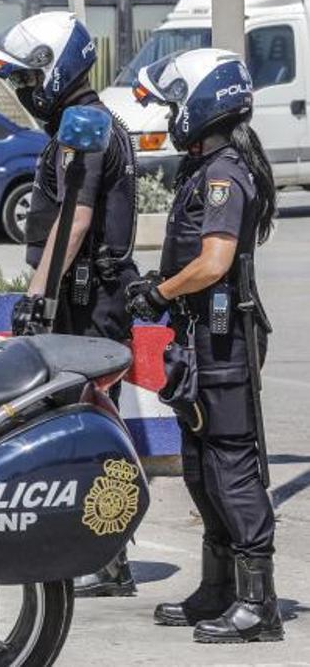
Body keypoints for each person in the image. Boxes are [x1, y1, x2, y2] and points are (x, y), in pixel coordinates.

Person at [0, 11, 140, 597]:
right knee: (80, 419)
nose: (22, 92)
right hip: (87, 294)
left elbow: (75, 224)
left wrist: (36, 292)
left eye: (27, 80)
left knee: (91, 421)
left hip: (90, 299)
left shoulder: (87, 125)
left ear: (55, 69)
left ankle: (108, 552)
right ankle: (103, 551)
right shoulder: (83, 122)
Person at [126, 49, 281, 644]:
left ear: (202, 104)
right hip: (198, 341)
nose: (169, 115)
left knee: (231, 468)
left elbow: (214, 262)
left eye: (173, 103)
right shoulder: (206, 164)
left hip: (222, 342)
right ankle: (218, 588)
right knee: (199, 467)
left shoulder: (223, 174)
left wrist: (158, 293)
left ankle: (257, 604)